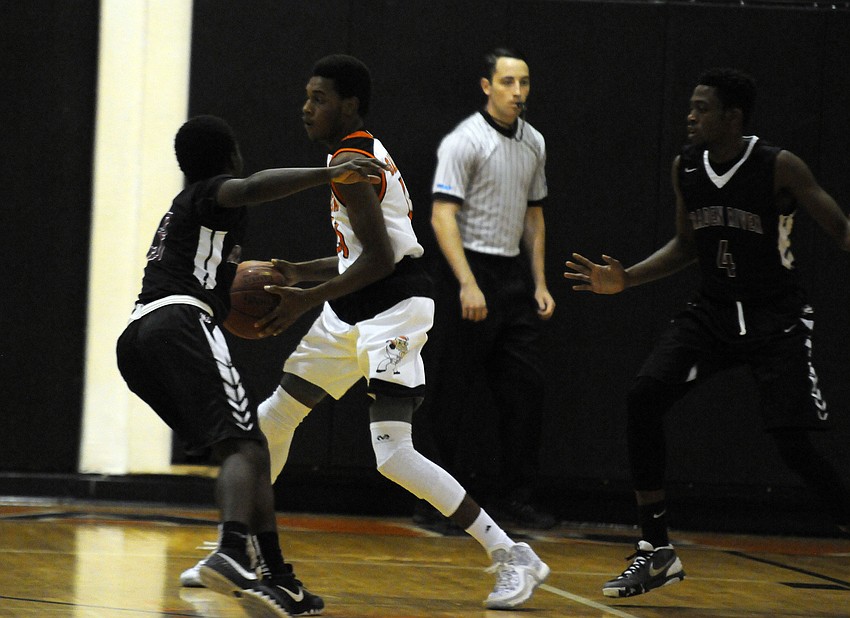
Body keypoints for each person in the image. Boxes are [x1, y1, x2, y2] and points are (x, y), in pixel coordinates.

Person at [252, 54, 549, 609]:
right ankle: (245, 547)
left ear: (350, 105)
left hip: (393, 308)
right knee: (274, 418)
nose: (307, 107)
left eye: (319, 98)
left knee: (393, 454)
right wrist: (301, 272)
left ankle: (512, 554)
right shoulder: (353, 153)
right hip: (352, 307)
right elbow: (362, 253)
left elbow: (383, 260)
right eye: (307, 96)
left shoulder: (352, 160)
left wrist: (305, 300)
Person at [564, 67, 850, 598]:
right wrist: (626, 279)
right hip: (714, 312)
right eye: (691, 107)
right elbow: (686, 245)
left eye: (702, 108)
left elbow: (840, 229)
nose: (690, 117)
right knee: (644, 397)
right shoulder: (688, 166)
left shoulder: (779, 166)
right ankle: (656, 549)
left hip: (776, 318)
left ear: (733, 117)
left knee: (794, 445)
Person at [117, 113, 387, 617]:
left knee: (249, 447)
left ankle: (279, 579)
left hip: (137, 343)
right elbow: (252, 187)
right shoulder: (211, 192)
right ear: (230, 157)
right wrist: (328, 173)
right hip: (178, 321)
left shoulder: (188, 214)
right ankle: (231, 551)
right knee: (246, 445)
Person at [420, 47, 556, 530]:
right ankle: (438, 504)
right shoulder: (465, 141)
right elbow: (442, 215)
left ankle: (518, 499)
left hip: (512, 278)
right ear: (487, 86)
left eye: (524, 82)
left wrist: (539, 282)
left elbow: (534, 216)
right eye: (507, 82)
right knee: (450, 393)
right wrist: (467, 283)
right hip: (468, 271)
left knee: (525, 391)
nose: (518, 92)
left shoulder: (534, 142)